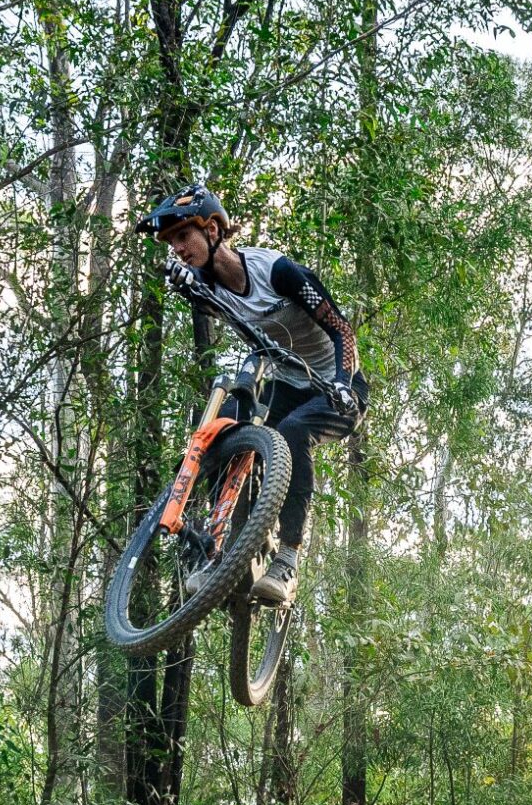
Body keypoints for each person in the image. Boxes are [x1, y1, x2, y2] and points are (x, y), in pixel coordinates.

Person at [136, 184, 367, 606]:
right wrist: (184, 286)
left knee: (295, 432)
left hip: (333, 386)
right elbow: (209, 303)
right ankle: (214, 548)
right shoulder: (205, 284)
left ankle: (288, 561)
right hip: (281, 383)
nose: (178, 249)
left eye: (183, 236)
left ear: (211, 229)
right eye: (170, 243)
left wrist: (343, 383)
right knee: (220, 428)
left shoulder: (277, 272)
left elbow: (342, 330)